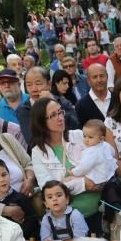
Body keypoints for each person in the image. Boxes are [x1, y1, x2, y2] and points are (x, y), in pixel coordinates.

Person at [30, 98, 103, 233]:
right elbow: (49, 190)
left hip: (99, 211)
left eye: (60, 112)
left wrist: (67, 181)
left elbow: (102, 164)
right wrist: (83, 183)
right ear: (41, 122)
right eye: (53, 115)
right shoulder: (38, 152)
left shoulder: (80, 136)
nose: (60, 118)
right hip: (67, 220)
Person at [0, 158, 40, 240]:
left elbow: (32, 222)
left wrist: (15, 237)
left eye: (4, 174)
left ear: (9, 174)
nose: (1, 180)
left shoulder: (21, 198)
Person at [66, 119, 116, 185]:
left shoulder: (92, 152)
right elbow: (113, 152)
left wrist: (73, 172)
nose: (86, 140)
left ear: (101, 139)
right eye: (84, 136)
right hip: (110, 175)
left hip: (99, 180)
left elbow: (84, 167)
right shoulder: (106, 145)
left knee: (70, 180)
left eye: (90, 137)